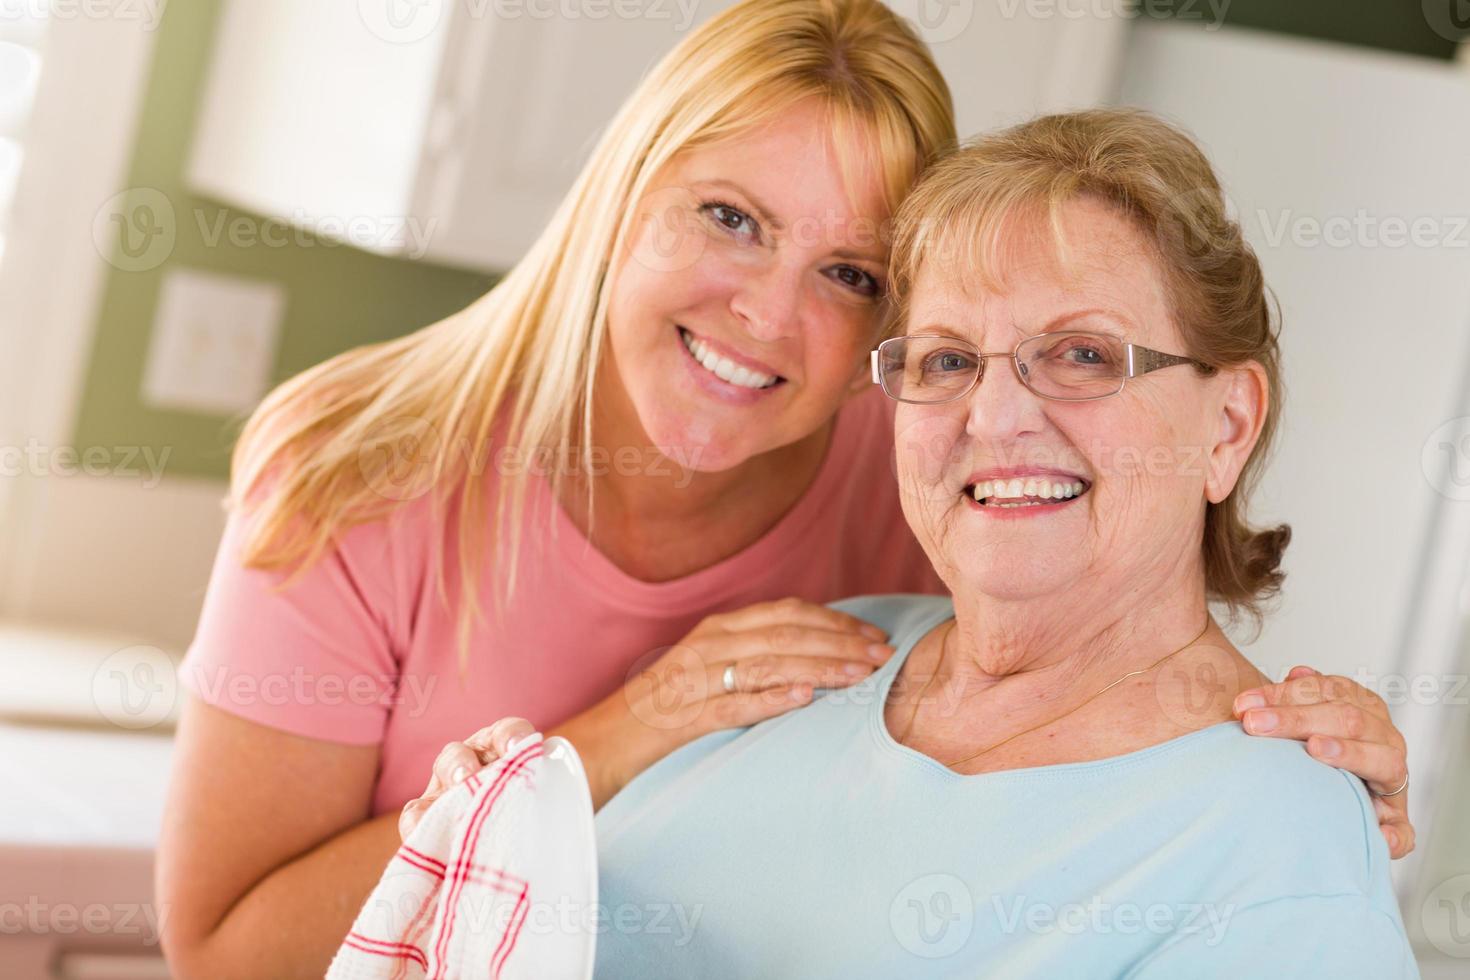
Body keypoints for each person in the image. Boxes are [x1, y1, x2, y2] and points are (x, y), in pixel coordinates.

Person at [156, 2, 1413, 976]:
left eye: (852, 275)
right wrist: (620, 729)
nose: (765, 313)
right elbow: (222, 949)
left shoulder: (929, 485)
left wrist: (1323, 773)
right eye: (730, 216)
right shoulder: (374, 466)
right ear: (620, 194)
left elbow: (1124, 652)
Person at [430, 109, 1419, 977]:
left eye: (1081, 354)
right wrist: (493, 829)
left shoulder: (1281, 852)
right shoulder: (812, 655)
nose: (994, 414)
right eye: (947, 357)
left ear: (1228, 424)